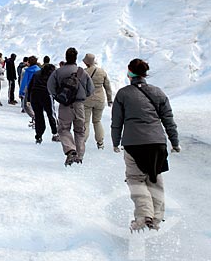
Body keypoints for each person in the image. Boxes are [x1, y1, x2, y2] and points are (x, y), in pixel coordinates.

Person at [111, 58, 180, 232]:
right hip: (157, 143)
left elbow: (117, 122)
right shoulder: (158, 92)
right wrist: (175, 142)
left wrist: (115, 142)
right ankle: (156, 219)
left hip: (133, 144)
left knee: (136, 179)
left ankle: (143, 216)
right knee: (154, 178)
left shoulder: (123, 94)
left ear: (130, 72)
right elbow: (168, 120)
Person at [47, 47, 94, 166]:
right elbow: (90, 89)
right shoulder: (82, 72)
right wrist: (82, 95)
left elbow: (50, 86)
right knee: (80, 130)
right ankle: (79, 155)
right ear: (76, 58)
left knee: (63, 129)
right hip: (79, 105)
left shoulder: (58, 72)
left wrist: (58, 96)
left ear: (66, 57)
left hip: (65, 105)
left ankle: (70, 149)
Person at [82, 53, 113, 149]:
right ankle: (100, 142)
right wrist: (109, 99)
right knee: (97, 121)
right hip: (100, 99)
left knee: (86, 122)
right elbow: (107, 86)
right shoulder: (102, 71)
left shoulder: (84, 72)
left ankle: (82, 142)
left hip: (87, 99)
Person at [27, 63, 59, 144]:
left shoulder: (36, 74)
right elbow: (55, 86)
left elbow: (29, 86)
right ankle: (55, 133)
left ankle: (39, 135)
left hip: (34, 96)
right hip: (46, 95)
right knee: (51, 114)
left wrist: (28, 99)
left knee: (38, 116)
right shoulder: (52, 75)